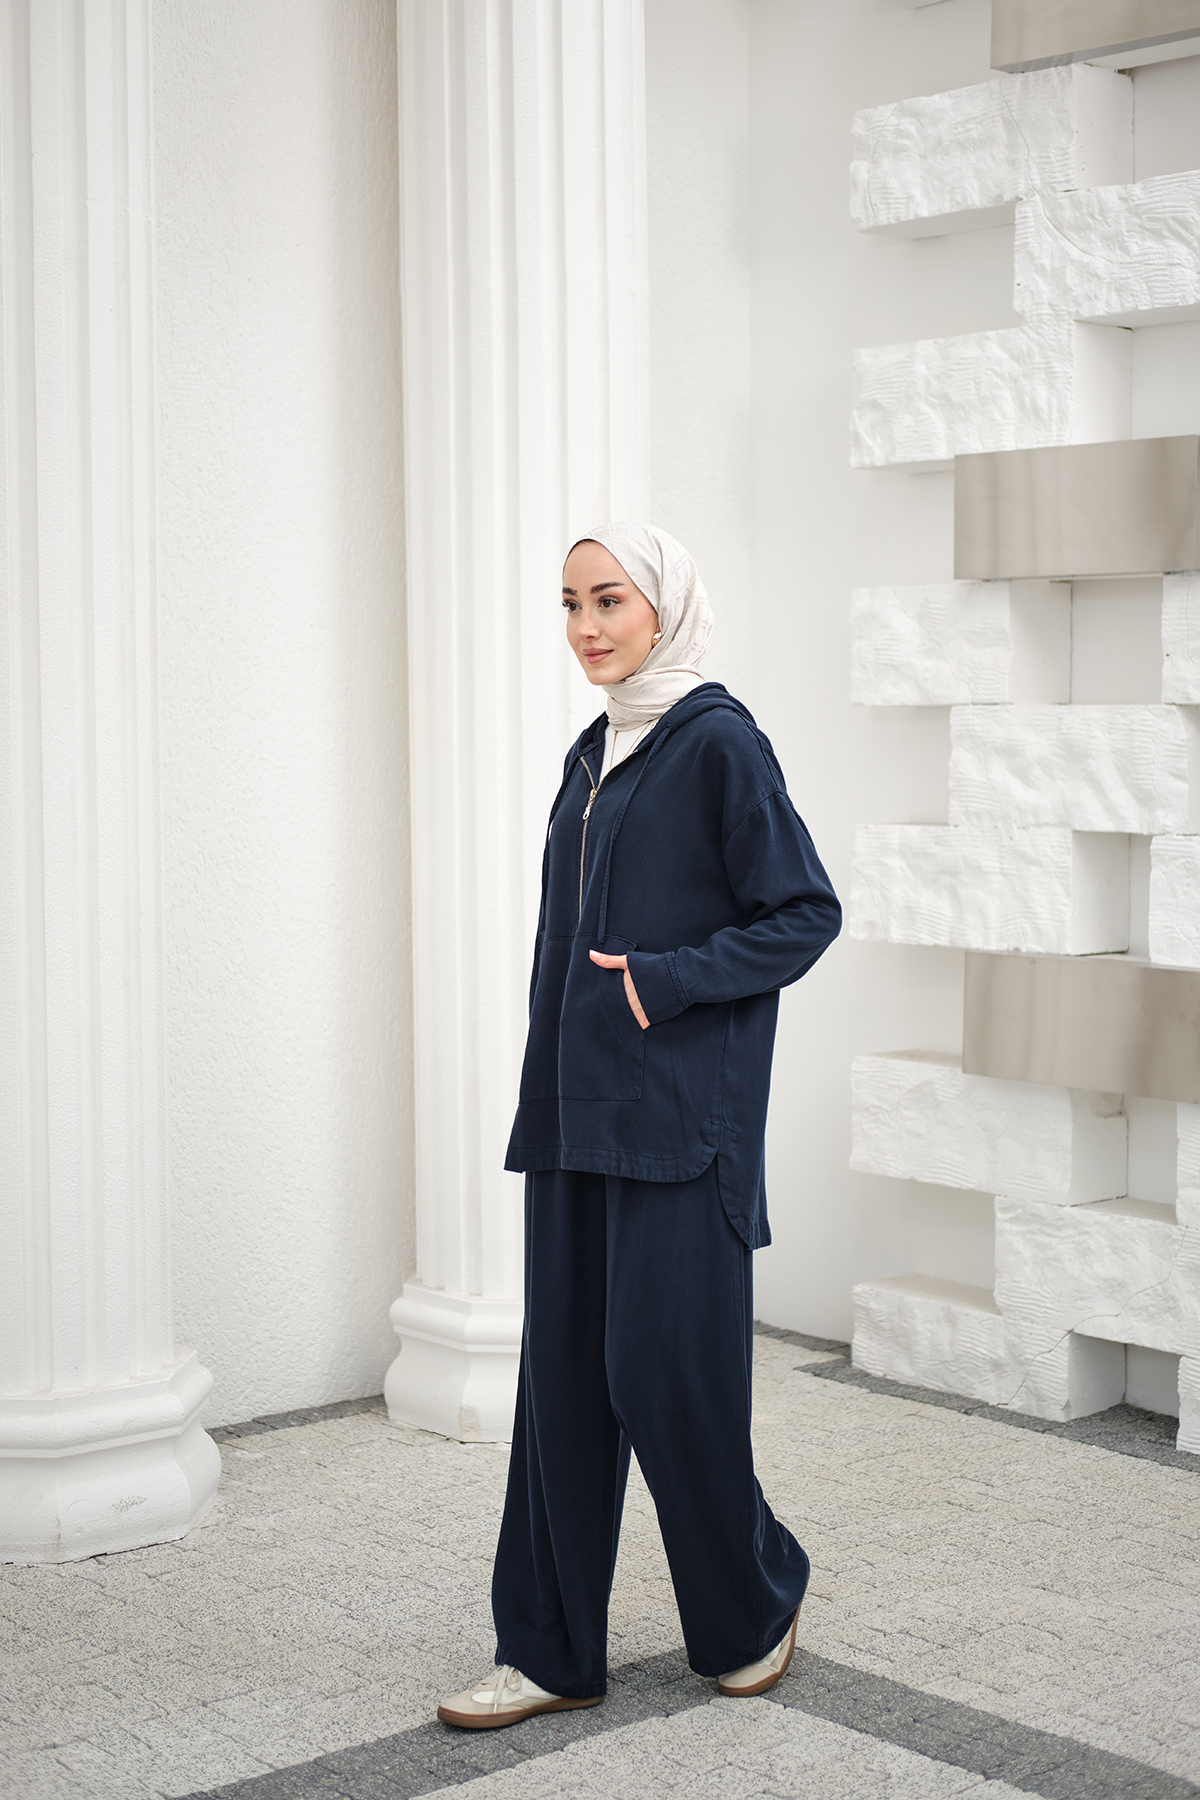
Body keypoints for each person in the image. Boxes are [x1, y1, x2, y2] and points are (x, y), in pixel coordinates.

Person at [437, 524, 841, 1729]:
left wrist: (666, 981)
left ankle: (753, 1601)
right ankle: (548, 1651)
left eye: (608, 600)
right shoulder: (592, 751)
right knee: (561, 1389)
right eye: (569, 604)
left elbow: (803, 913)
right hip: (572, 1110)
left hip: (679, 1118)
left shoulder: (717, 741)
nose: (586, 628)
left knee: (664, 1379)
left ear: (664, 608)